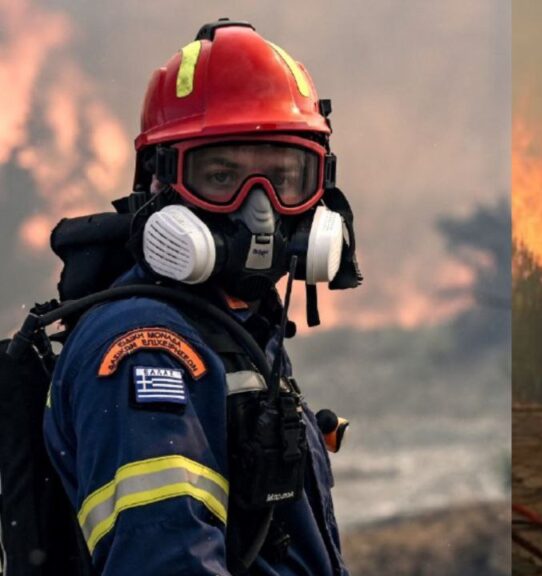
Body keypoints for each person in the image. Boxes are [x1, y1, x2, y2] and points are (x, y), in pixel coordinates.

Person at [42, 20, 359, 575]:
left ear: (321, 189)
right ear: (159, 184)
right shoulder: (148, 348)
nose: (259, 211)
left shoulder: (235, 330)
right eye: (221, 175)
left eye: (285, 176)